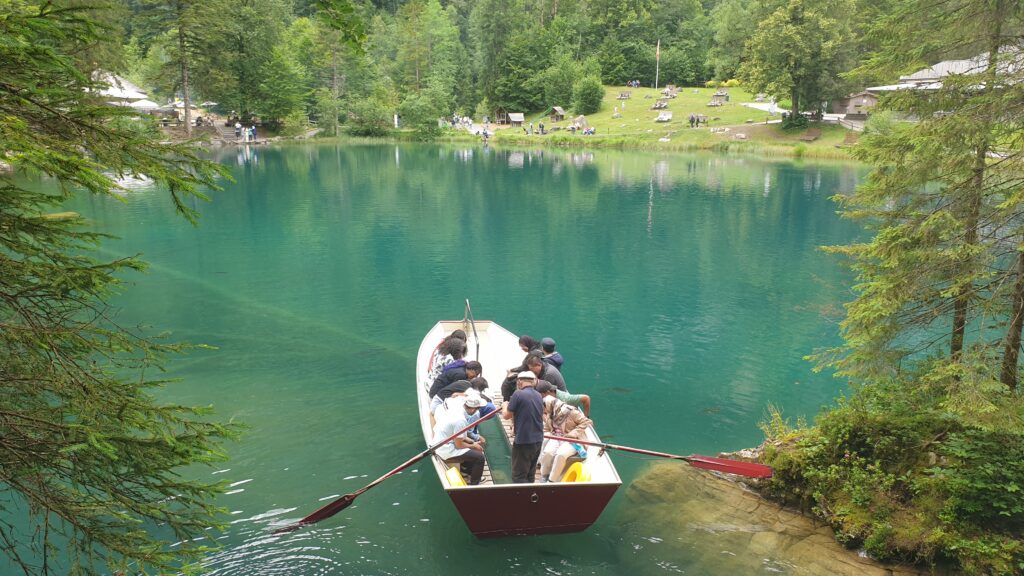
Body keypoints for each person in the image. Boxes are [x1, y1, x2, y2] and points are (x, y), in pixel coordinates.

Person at [537, 384, 592, 482]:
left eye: (543, 407)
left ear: (548, 405)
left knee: (560, 455)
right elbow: (546, 429)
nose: (543, 410)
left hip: (571, 439)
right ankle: (544, 474)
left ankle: (552, 479)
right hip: (557, 437)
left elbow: (587, 422)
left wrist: (573, 433)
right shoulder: (551, 413)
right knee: (547, 453)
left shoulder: (571, 412)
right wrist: (546, 435)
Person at [432, 390, 486, 485]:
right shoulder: (461, 420)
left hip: (441, 441)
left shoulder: (457, 410)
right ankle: (475, 483)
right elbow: (459, 445)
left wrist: (472, 442)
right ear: (473, 409)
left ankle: (468, 472)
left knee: (472, 446)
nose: (477, 411)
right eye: (477, 409)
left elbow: (459, 436)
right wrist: (474, 446)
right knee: (480, 457)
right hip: (445, 448)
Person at [502, 371, 544, 483]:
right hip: (538, 440)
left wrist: (504, 405)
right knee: (530, 473)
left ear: (519, 381)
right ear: (533, 382)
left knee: (519, 476)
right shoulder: (538, 395)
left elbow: (506, 415)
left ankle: (520, 499)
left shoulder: (518, 394)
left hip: (524, 440)